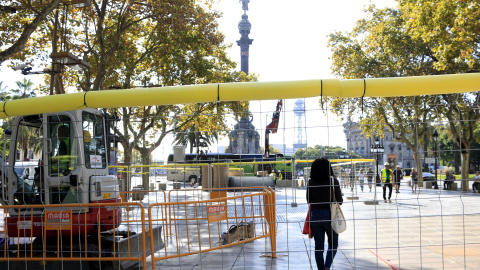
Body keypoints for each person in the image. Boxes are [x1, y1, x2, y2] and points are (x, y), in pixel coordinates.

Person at [306, 157, 343, 270]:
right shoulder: (333, 181)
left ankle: (321, 269)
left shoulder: (310, 182)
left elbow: (308, 200)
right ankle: (327, 267)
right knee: (333, 244)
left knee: (318, 247)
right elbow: (340, 201)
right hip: (330, 215)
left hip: (315, 216)